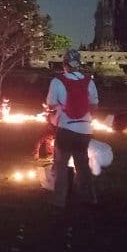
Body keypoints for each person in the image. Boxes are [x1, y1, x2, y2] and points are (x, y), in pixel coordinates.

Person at [47, 49, 98, 207]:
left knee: (61, 165)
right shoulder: (89, 81)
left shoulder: (57, 81)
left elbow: (51, 104)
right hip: (85, 130)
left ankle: (59, 201)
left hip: (66, 129)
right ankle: (89, 198)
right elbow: (94, 105)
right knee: (82, 165)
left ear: (65, 64)